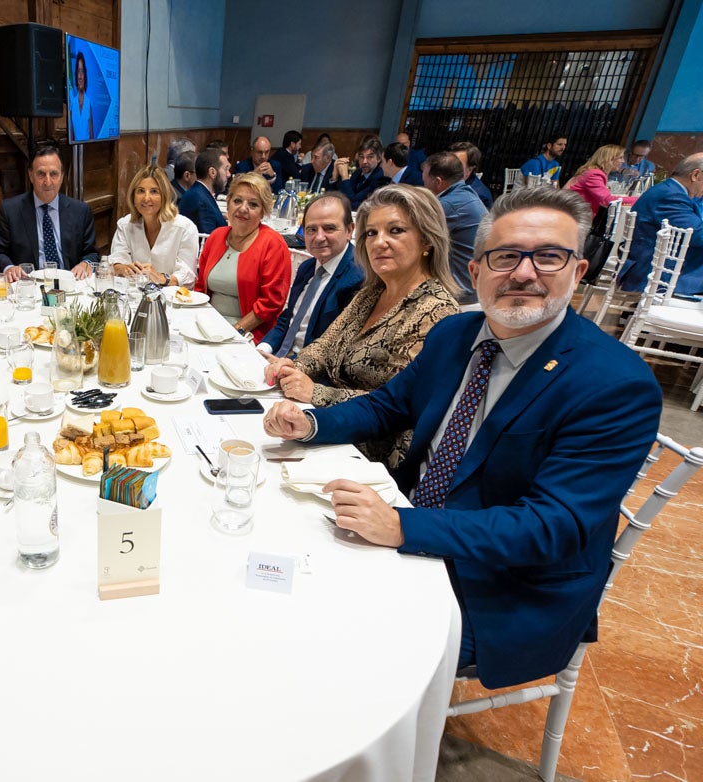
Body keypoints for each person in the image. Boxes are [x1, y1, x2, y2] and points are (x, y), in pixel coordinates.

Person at [263, 186, 663, 690]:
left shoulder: (614, 384)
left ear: (577, 272)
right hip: (411, 517)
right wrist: (313, 423)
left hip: (503, 586)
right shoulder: (457, 334)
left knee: (335, 647)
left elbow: (551, 526)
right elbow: (391, 404)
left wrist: (405, 528)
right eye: (505, 257)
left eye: (548, 257)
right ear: (476, 272)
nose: (523, 272)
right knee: (277, 566)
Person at [264, 185, 460, 467]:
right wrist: (294, 366)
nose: (379, 242)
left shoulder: (438, 312)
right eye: (371, 233)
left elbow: (398, 406)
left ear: (427, 240)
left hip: (374, 456)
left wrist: (315, 393)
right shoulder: (371, 293)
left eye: (395, 230)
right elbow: (325, 344)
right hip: (329, 429)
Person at [256, 191, 363, 358]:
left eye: (329, 228)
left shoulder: (358, 279)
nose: (319, 237)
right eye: (311, 229)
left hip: (308, 369)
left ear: (349, 230)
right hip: (279, 357)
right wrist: (263, 348)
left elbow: (336, 349)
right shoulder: (307, 267)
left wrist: (288, 364)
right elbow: (288, 319)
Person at [194, 172, 290, 341]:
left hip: (248, 334)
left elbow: (270, 304)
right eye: (237, 201)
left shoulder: (273, 244)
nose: (243, 208)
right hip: (208, 326)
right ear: (228, 204)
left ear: (263, 212)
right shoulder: (216, 236)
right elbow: (200, 288)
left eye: (253, 204)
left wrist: (232, 332)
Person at [0, 142, 100, 282]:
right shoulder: (11, 210)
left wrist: (86, 263)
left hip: (70, 283)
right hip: (29, 285)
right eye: (41, 174)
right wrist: (9, 267)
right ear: (31, 176)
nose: (47, 182)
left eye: (54, 174)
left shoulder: (80, 211)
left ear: (62, 176)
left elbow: (92, 253)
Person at [617, 153, 703, 294]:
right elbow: (698, 235)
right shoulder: (671, 196)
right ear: (695, 175)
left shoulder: (671, 190)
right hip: (652, 271)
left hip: (657, 264)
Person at [108, 165, 200, 287]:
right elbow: (117, 258)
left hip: (173, 300)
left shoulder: (185, 228)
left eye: (154, 191)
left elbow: (188, 276)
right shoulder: (125, 224)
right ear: (133, 197)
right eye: (140, 191)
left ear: (165, 196)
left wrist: (159, 277)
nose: (146, 198)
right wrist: (122, 268)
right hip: (134, 296)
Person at [423, 152, 488, 303]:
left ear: (438, 182)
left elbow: (413, 237)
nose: (424, 185)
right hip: (475, 285)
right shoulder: (466, 194)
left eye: (425, 180)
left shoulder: (448, 205)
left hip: (460, 292)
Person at [565, 144, 636, 218]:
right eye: (620, 158)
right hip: (574, 216)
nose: (623, 161)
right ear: (609, 159)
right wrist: (638, 200)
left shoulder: (592, 171)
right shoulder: (594, 174)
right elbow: (608, 200)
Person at [178, 148, 230, 235]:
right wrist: (232, 226)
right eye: (226, 169)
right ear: (212, 172)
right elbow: (209, 239)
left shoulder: (199, 192)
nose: (228, 174)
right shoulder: (200, 199)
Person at [336, 137, 390, 209]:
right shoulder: (358, 172)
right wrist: (334, 176)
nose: (364, 161)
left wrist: (345, 177)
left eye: (370, 157)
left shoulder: (380, 179)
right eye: (361, 157)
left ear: (379, 159)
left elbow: (355, 204)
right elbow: (341, 195)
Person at [449, 141, 494, 208]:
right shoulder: (446, 181)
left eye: (457, 164)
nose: (449, 166)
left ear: (470, 169)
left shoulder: (478, 195)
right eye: (449, 162)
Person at [68, 51, 94, 142]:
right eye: (78, 71)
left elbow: (91, 136)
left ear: (85, 75)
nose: (80, 77)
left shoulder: (88, 102)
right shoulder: (72, 103)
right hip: (75, 150)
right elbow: (71, 136)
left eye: (82, 71)